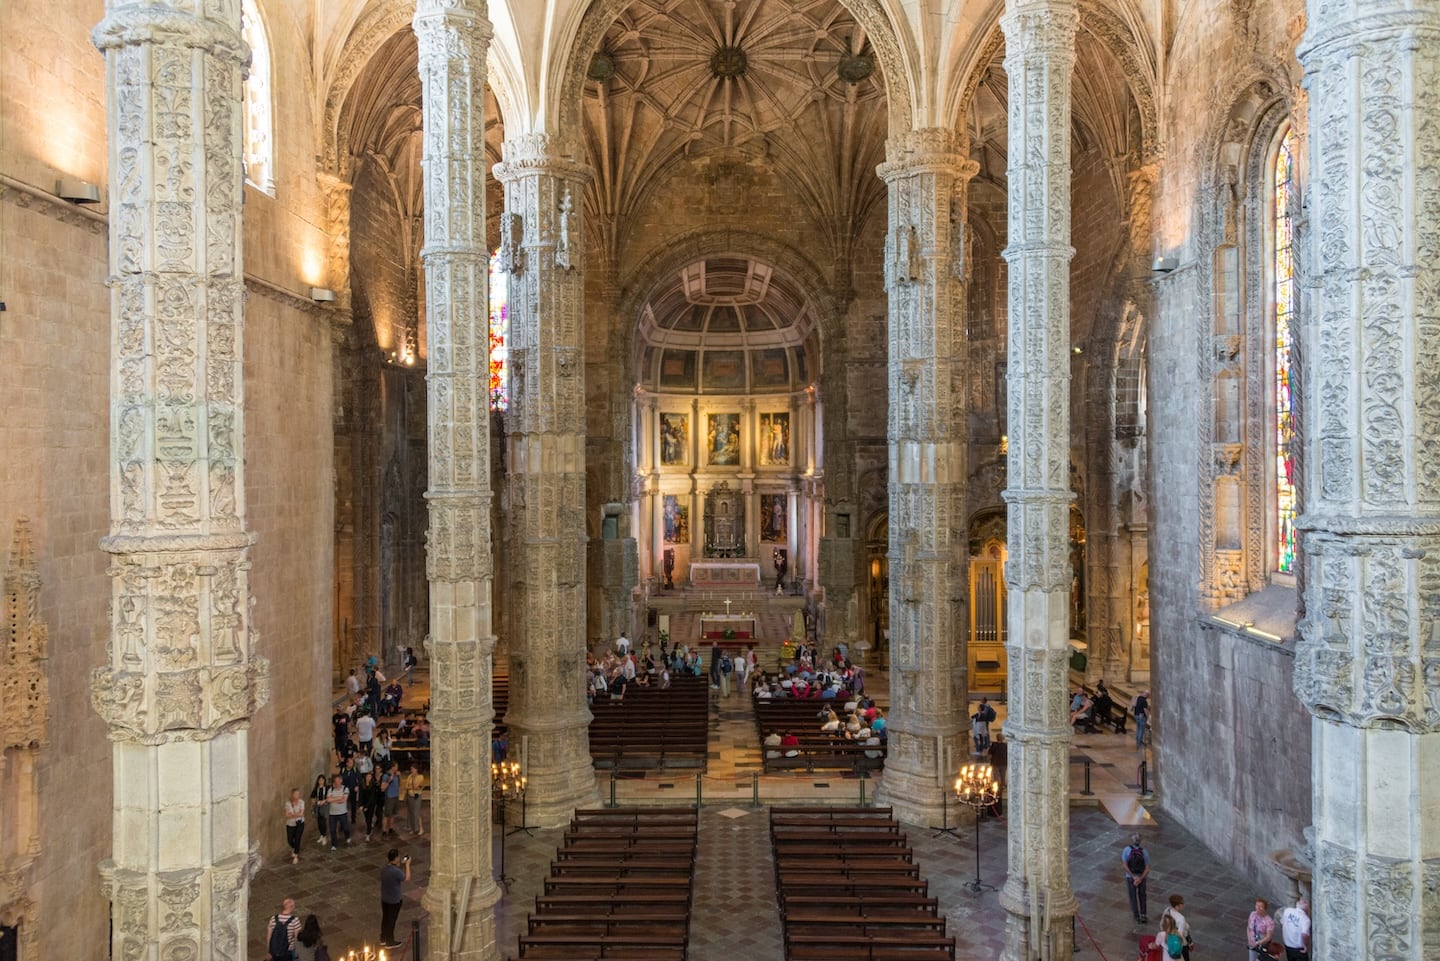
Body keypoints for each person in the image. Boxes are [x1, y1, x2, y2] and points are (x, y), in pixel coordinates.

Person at [379, 848, 412, 948]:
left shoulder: (384, 869)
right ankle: (390, 941)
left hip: (385, 899)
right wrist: (407, 865)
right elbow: (407, 878)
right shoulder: (396, 872)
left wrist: (399, 864)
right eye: (398, 856)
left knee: (385, 919)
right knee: (391, 921)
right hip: (394, 900)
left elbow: (394, 871)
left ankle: (383, 938)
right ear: (396, 858)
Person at [1122, 833, 1150, 924]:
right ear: (1140, 841)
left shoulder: (1127, 850)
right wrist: (1140, 878)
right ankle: (1143, 915)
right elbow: (1147, 868)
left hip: (1130, 877)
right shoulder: (1144, 852)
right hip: (1141, 877)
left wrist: (1133, 877)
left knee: (1132, 897)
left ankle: (1136, 916)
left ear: (1133, 840)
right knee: (1142, 896)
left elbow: (1125, 865)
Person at [325, 775, 352, 849]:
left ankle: (347, 838)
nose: (337, 782)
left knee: (345, 828)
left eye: (338, 780)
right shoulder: (331, 789)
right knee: (332, 829)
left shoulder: (345, 789)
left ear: (341, 781)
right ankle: (334, 844)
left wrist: (333, 799)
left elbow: (343, 800)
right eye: (335, 781)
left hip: (342, 813)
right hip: (332, 813)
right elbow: (328, 800)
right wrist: (339, 797)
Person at [1162, 894, 1192, 960]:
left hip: (1168, 937)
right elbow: (1180, 934)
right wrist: (1187, 944)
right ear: (1177, 906)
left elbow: (1162, 924)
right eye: (1182, 904)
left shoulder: (1167, 910)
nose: (1183, 905)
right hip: (1179, 942)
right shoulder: (1181, 918)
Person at [404, 762, 426, 837]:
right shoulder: (409, 776)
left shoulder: (420, 777)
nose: (411, 770)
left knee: (416, 812)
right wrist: (411, 787)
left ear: (416, 769)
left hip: (417, 796)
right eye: (411, 769)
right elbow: (406, 787)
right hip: (410, 796)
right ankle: (413, 828)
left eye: (412, 769)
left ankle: (421, 828)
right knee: (411, 812)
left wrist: (412, 783)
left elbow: (416, 787)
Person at [284, 788, 305, 864]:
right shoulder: (288, 803)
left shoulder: (301, 802)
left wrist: (292, 814)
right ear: (292, 795)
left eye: (298, 794)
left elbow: (301, 814)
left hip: (300, 823)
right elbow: (286, 815)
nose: (297, 795)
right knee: (289, 840)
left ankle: (296, 855)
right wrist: (296, 814)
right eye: (295, 794)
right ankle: (294, 847)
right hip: (290, 824)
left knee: (297, 839)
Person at [380, 764, 401, 838]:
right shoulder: (386, 776)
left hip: (396, 796)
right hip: (389, 797)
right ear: (393, 767)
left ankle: (391, 828)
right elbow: (382, 788)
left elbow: (399, 785)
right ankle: (384, 831)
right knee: (386, 814)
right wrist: (389, 780)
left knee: (393, 814)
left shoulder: (396, 775)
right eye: (396, 767)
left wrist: (399, 777)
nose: (397, 768)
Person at [309, 775, 330, 846]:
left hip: (325, 806)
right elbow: (312, 797)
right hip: (318, 807)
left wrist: (324, 801)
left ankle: (324, 836)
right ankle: (321, 835)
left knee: (323, 822)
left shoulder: (327, 788)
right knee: (319, 822)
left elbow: (329, 797)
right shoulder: (316, 788)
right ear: (318, 781)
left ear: (324, 781)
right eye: (319, 780)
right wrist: (315, 802)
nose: (321, 781)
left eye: (322, 780)